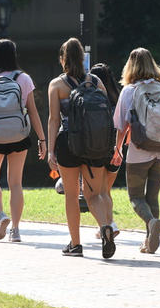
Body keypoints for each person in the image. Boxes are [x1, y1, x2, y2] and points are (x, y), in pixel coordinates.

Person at [0, 39, 46, 243]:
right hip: (19, 135)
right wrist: (42, 138)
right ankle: (16, 230)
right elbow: (33, 111)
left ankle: (1, 215)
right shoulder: (23, 78)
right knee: (15, 183)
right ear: (14, 55)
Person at [111, 47, 160, 254]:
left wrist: (117, 151)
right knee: (153, 196)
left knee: (135, 197)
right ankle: (149, 242)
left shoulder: (129, 91)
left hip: (139, 149)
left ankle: (151, 223)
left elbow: (121, 126)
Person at [47, 41, 114, 258]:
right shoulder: (96, 82)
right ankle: (105, 226)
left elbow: (54, 119)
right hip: (95, 145)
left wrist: (50, 151)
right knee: (93, 193)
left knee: (72, 195)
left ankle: (75, 245)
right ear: (83, 59)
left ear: (62, 59)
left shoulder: (57, 85)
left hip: (68, 143)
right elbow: (107, 115)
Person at [89, 62, 122, 241]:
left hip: (99, 149)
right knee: (106, 192)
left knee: (99, 192)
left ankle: (109, 225)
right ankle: (106, 224)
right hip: (116, 151)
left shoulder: (94, 100)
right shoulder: (117, 99)